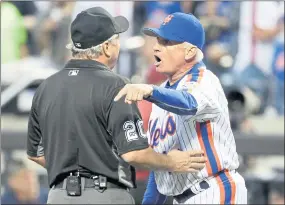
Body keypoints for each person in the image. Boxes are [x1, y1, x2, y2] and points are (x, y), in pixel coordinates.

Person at [26, 7, 206, 204]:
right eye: (116, 39)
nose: (119, 45)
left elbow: (36, 153)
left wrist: (68, 171)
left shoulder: (46, 86)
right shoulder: (115, 85)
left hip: (58, 196)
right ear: (106, 48)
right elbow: (134, 153)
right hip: (104, 194)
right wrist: (172, 162)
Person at [114, 12, 247, 204]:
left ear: (189, 52)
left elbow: (188, 104)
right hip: (181, 198)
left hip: (215, 190)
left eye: (166, 42)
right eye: (157, 41)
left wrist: (149, 91)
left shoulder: (204, 79)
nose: (157, 48)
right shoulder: (160, 96)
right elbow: (158, 173)